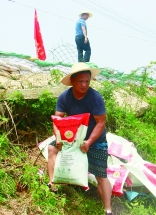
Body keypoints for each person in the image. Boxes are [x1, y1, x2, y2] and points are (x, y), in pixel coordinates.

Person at [47, 62, 113, 215]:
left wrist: (89, 142)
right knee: (51, 148)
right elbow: (58, 121)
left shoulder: (95, 98)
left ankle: (108, 209)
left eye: (87, 81)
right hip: (73, 137)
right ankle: (53, 185)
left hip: (95, 140)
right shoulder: (65, 97)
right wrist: (58, 138)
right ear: (72, 81)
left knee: (101, 175)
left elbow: (101, 123)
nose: (84, 85)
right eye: (80, 81)